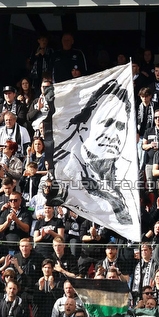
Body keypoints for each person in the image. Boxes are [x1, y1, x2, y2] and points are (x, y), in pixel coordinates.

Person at [53, 76, 136, 227]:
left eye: (121, 127)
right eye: (108, 125)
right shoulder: (62, 166)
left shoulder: (126, 169)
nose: (115, 136)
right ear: (84, 127)